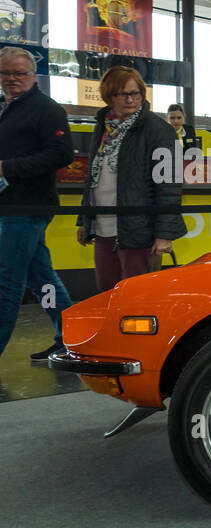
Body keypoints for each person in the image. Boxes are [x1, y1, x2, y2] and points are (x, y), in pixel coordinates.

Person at [75, 66, 184, 294]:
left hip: (139, 229)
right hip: (103, 226)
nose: (130, 99)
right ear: (108, 95)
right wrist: (84, 221)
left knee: (136, 294)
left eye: (135, 93)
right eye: (122, 94)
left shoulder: (158, 130)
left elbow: (169, 185)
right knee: (106, 291)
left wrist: (164, 234)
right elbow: (92, 179)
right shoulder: (103, 126)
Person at [0, 46, 74, 361]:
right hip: (10, 206)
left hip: (27, 208)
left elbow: (61, 154)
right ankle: (72, 338)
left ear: (33, 75)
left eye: (19, 73)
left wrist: (7, 168)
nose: (12, 78)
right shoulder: (6, 107)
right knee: (40, 277)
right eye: (5, 73)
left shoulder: (46, 109)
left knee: (6, 281)